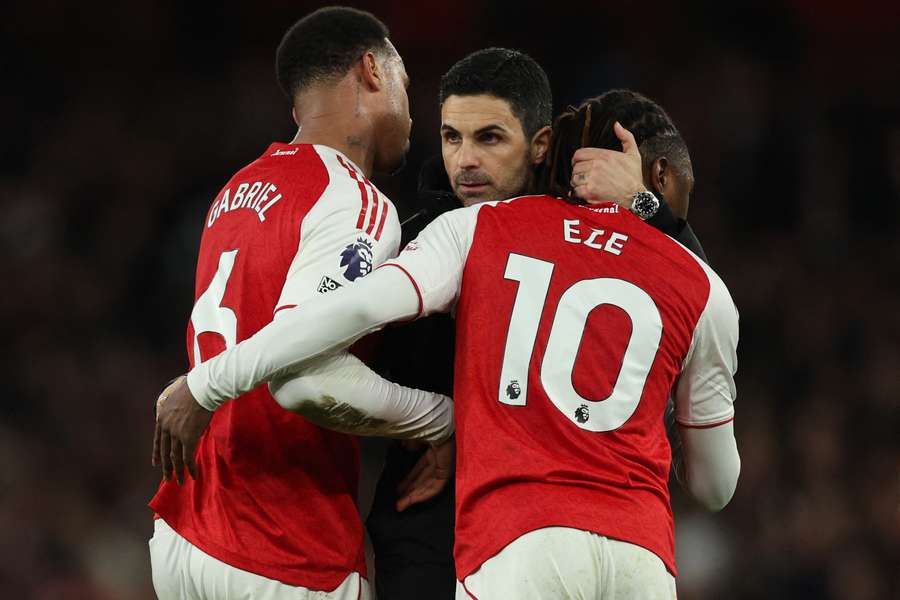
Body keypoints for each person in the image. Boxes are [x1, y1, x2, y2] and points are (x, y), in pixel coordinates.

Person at [158, 91, 742, 598]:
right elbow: (716, 489)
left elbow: (351, 309)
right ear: (658, 180)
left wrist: (208, 381)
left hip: (516, 545)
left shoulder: (480, 228)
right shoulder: (703, 286)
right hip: (640, 555)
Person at [369, 50, 709, 599]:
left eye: (490, 138)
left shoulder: (583, 228)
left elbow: (700, 296)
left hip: (558, 526)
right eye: (452, 138)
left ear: (542, 144)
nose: (466, 161)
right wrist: (439, 422)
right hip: (431, 523)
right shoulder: (419, 238)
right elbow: (339, 368)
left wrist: (644, 206)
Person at [148, 7, 456, 599]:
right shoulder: (356, 202)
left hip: (188, 530)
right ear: (371, 69)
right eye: (407, 87)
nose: (415, 115)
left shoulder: (237, 190)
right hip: (285, 545)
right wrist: (442, 420)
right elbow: (311, 385)